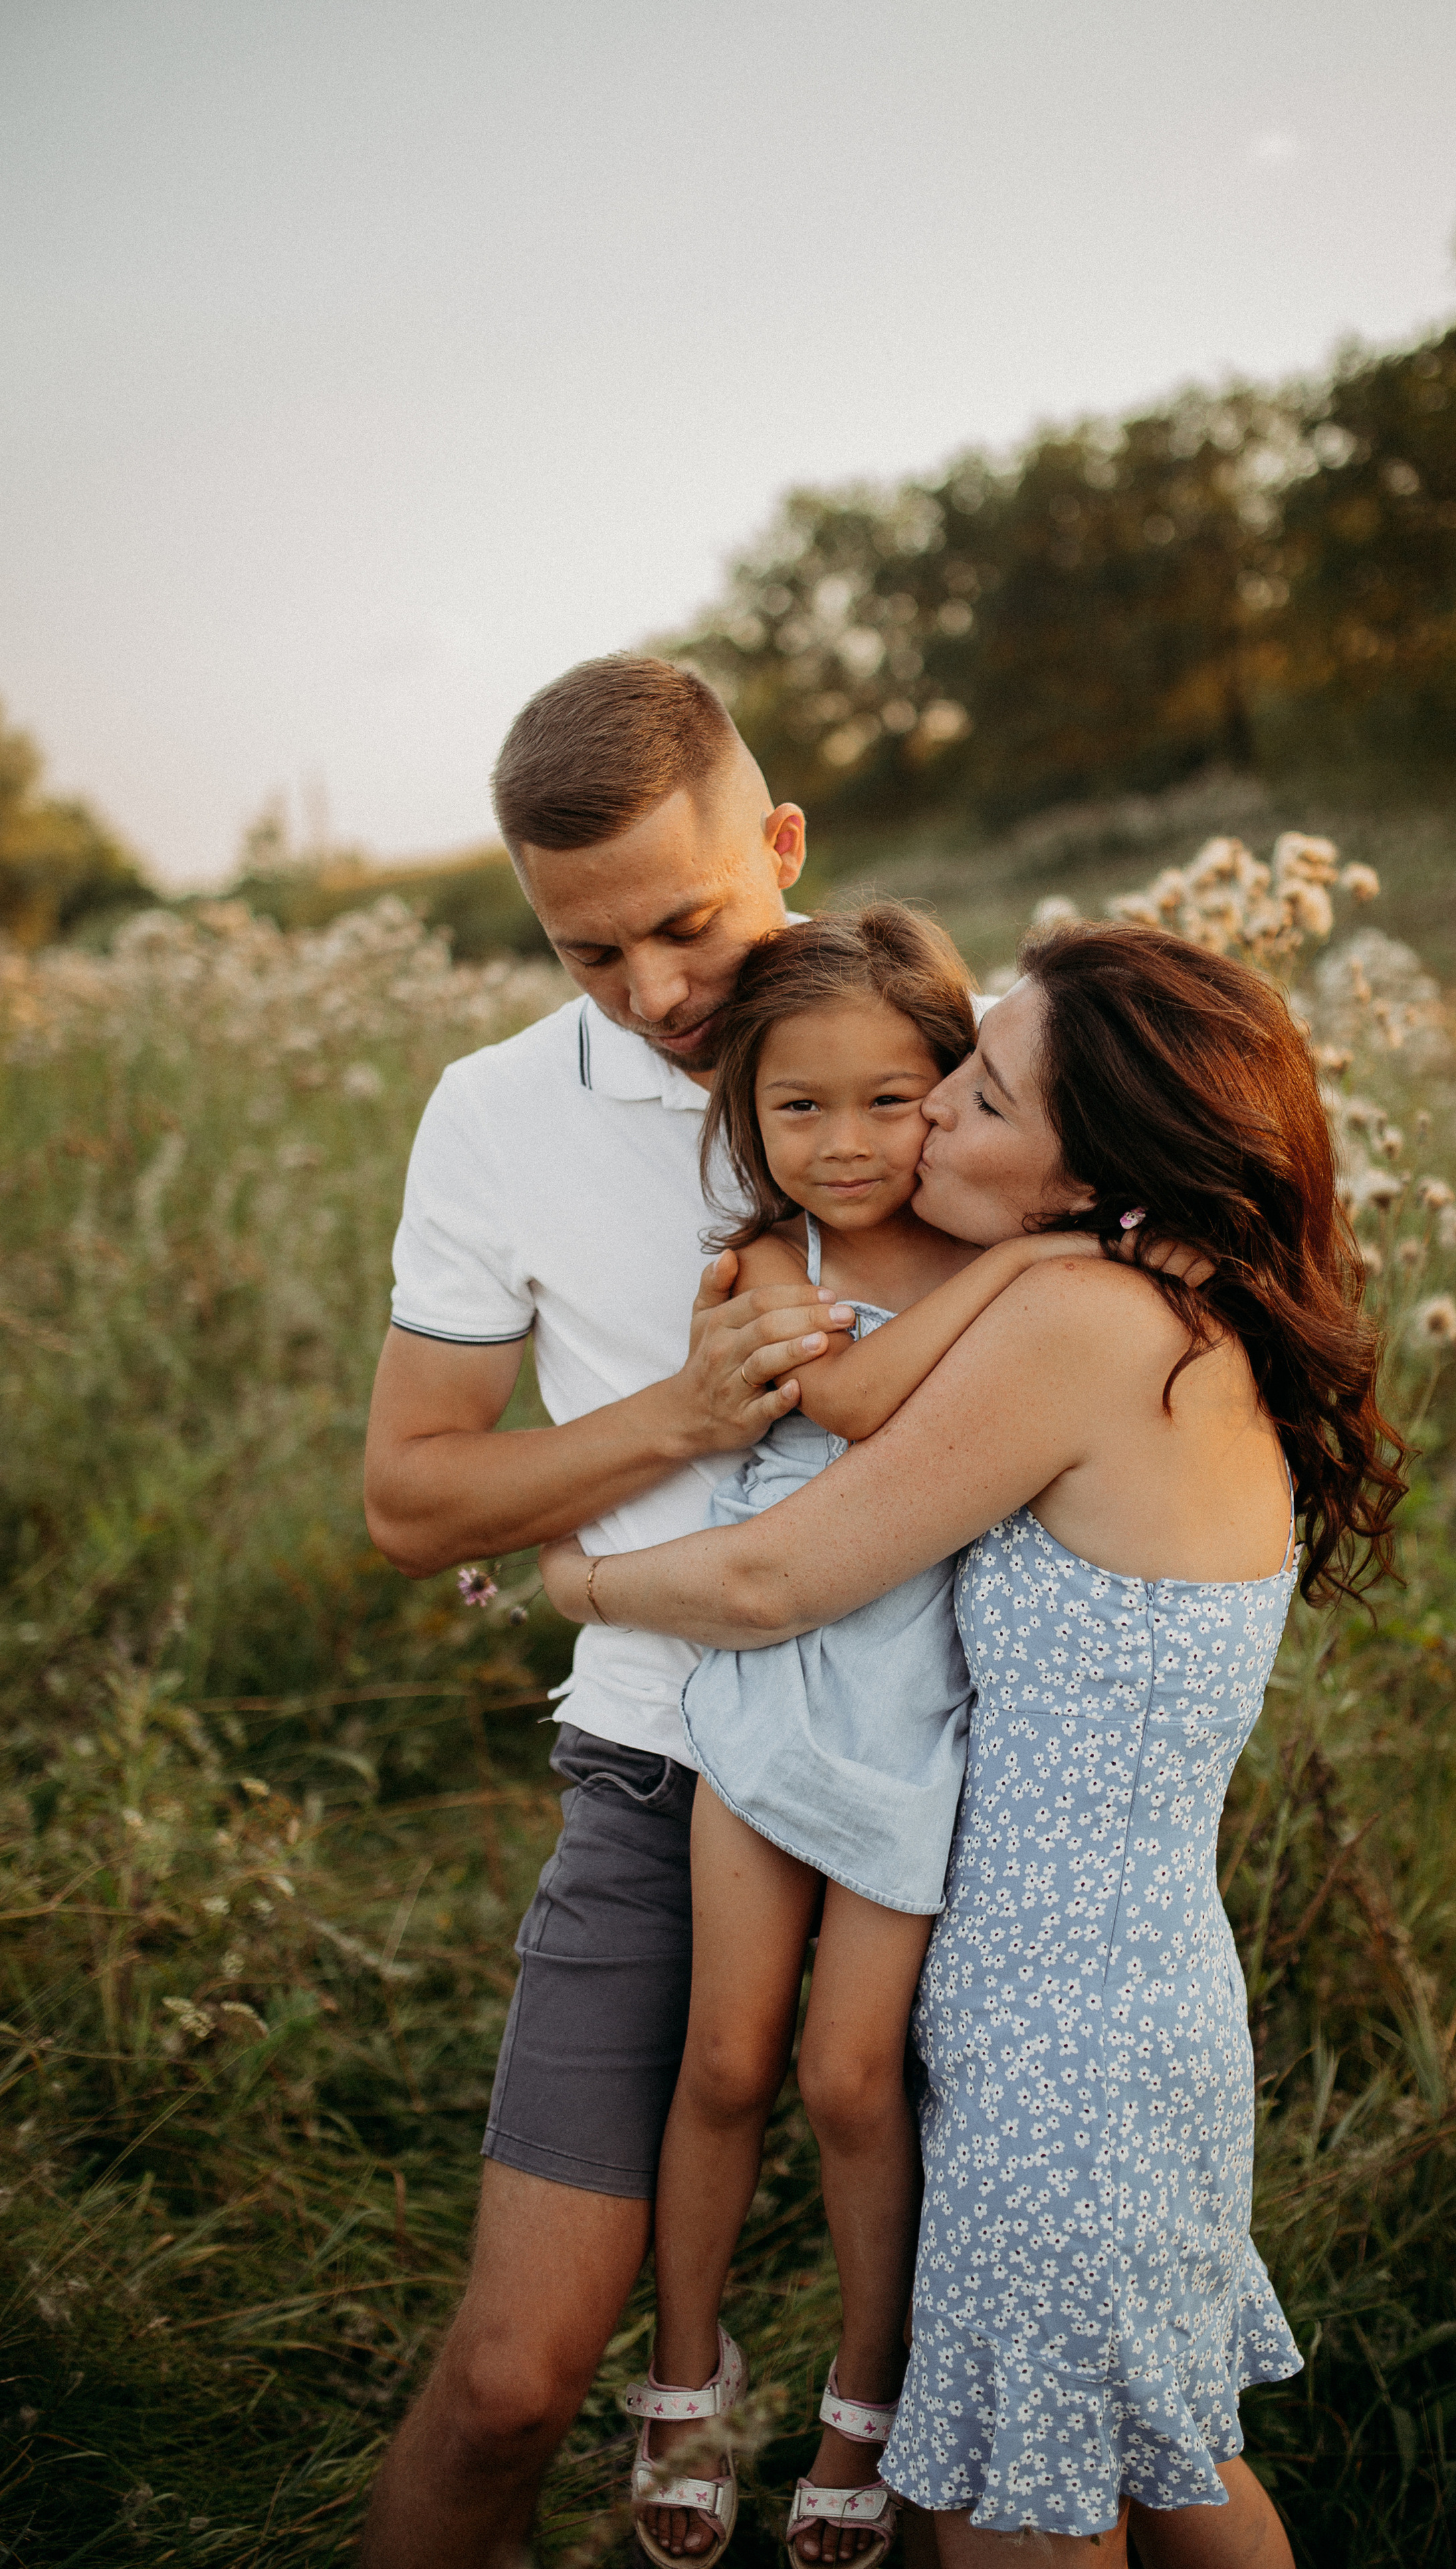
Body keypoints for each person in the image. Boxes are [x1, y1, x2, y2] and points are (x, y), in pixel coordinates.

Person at [542, 921, 1407, 2569]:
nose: (927, 1120)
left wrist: (571, 1577)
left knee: (1006, 2509)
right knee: (1166, 2465)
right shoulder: (1148, 1305)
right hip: (1124, 2006)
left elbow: (781, 1569)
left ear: (1097, 1176)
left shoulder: (1089, 1324)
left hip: (1059, 2050)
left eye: (978, 1098)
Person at [358, 654, 870, 2569]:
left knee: (1022, 2401)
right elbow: (415, 1491)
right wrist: (676, 1410)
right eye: (591, 956)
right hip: (660, 1766)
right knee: (506, 2383)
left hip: (966, 1780)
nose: (656, 995)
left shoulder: (973, 1054)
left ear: (783, 845)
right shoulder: (493, 1115)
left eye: (691, 923)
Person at [616, 906, 1102, 2569]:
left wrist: (1025, 1258)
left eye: (889, 1101)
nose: (839, 1146)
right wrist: (1041, 1267)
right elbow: (855, 1407)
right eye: (795, 1108)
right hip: (769, 1677)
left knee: (848, 2075)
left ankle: (863, 2401)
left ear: (951, 1088)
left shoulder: (992, 1250)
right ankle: (682, 2379)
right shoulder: (773, 1263)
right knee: (731, 2056)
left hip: (920, 1711)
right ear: (743, 1115)